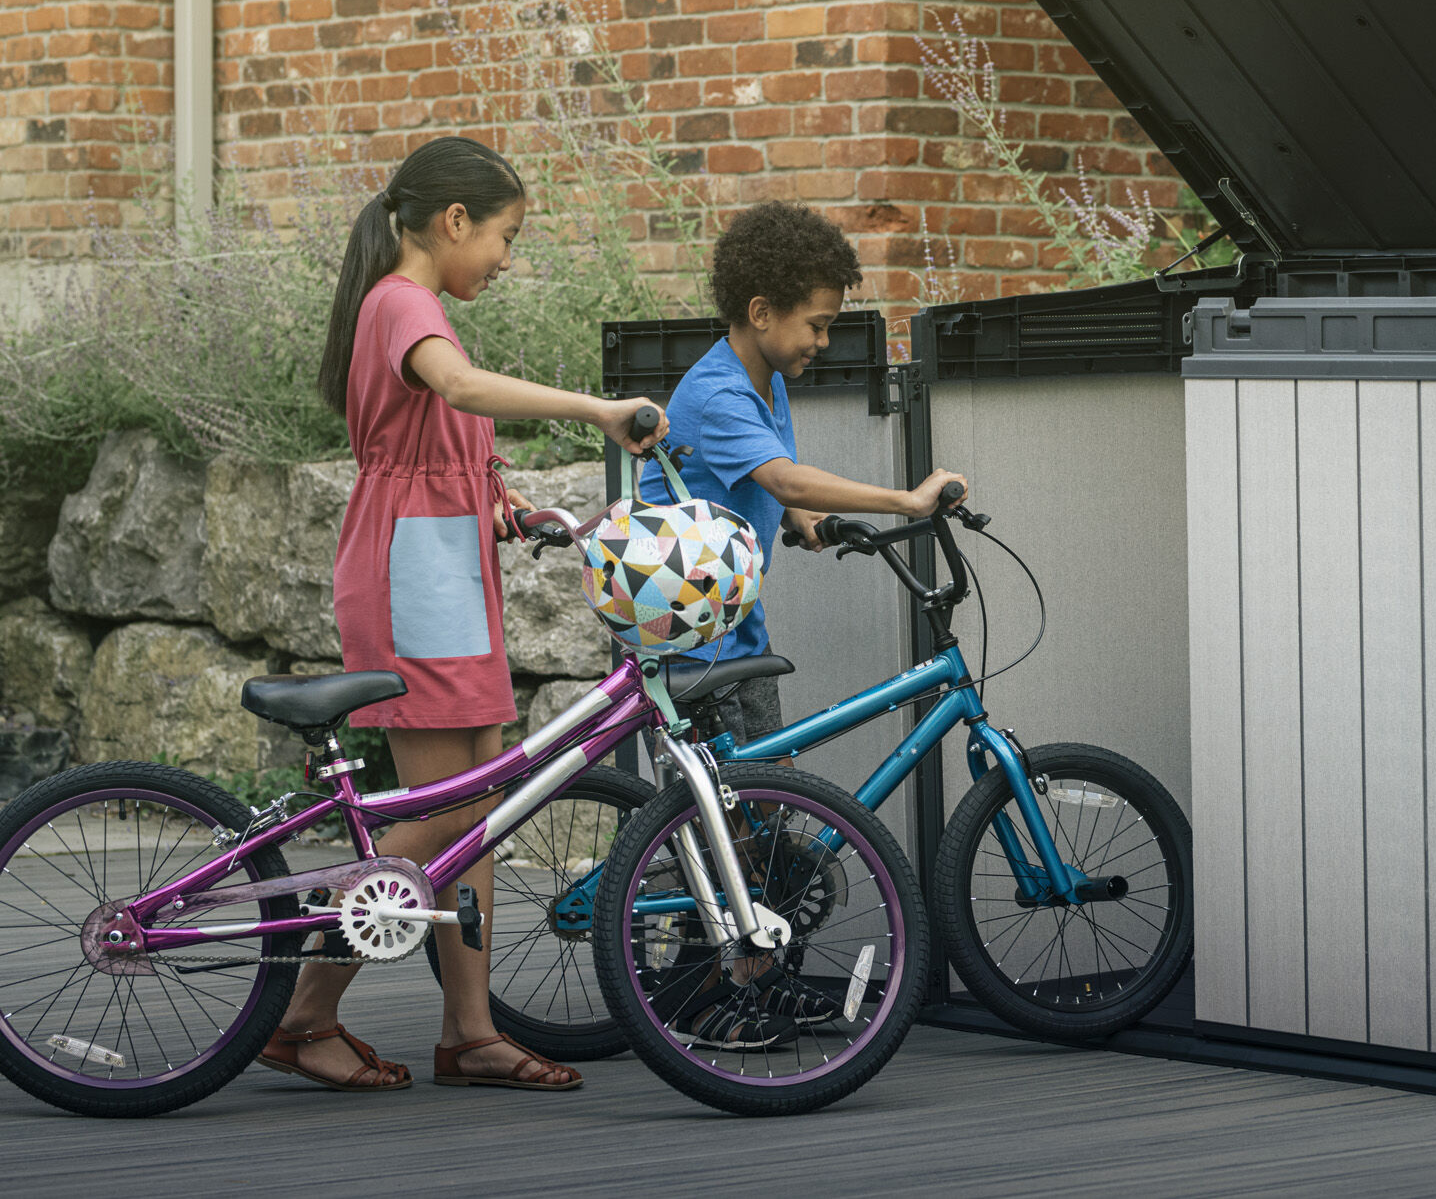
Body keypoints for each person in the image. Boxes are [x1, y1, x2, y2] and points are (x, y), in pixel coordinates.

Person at [257, 136, 667, 1094]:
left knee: (480, 812)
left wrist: (512, 510)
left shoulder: (416, 304)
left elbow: (439, 454)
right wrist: (596, 409)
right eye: (505, 238)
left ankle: (471, 1032)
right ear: (452, 222)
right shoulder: (405, 302)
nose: (508, 260)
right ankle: (303, 1012)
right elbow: (457, 389)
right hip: (418, 576)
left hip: (439, 565)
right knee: (456, 810)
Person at [638, 202, 963, 1050]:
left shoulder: (764, 379)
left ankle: (752, 984)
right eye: (816, 324)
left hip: (732, 626)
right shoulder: (715, 390)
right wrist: (901, 498)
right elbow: (781, 474)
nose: (823, 341)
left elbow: (745, 486)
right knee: (725, 828)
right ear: (761, 313)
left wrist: (803, 526)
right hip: (689, 640)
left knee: (759, 823)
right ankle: (695, 999)